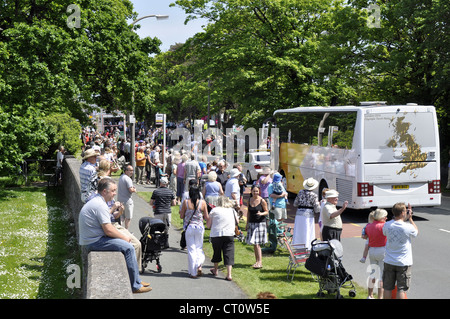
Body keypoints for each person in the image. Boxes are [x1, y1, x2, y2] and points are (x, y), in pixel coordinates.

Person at [78, 178, 151, 293]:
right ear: (104, 192)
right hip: (94, 241)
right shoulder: (100, 205)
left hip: (92, 238)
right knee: (129, 247)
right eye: (113, 191)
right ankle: (135, 286)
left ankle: (137, 280)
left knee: (128, 244)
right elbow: (108, 230)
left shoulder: (99, 202)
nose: (115, 193)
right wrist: (125, 237)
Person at [382, 202, 418, 299]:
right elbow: (416, 232)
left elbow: (384, 233)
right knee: (401, 289)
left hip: (389, 260)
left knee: (387, 287)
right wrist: (410, 219)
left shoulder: (387, 225)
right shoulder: (408, 226)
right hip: (403, 262)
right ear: (403, 213)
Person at [179, 185, 209, 278]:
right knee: (199, 247)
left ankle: (193, 272)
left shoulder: (186, 202)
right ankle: (199, 264)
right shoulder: (202, 203)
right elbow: (206, 217)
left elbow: (181, 216)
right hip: (199, 227)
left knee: (191, 249)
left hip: (189, 227)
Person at [207, 196, 238, 281]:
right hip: (229, 234)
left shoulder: (214, 210)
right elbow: (237, 222)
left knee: (216, 252)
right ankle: (229, 274)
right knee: (229, 253)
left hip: (216, 234)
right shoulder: (232, 210)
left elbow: (208, 225)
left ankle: (215, 270)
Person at [363, 208, 387, 299]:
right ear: (381, 217)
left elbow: (365, 236)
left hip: (372, 250)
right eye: (385, 217)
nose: (386, 218)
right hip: (382, 250)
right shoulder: (384, 226)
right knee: (381, 276)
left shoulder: (369, 226)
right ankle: (380, 297)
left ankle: (370, 295)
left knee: (372, 273)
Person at [292, 178, 320, 250]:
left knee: (299, 230)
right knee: (308, 230)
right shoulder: (314, 195)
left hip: (299, 213)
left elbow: (295, 203)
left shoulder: (300, 192)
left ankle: (298, 245)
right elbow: (317, 209)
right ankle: (307, 245)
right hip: (308, 214)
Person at [245, 185, 269, 269]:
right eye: (254, 191)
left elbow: (266, 212)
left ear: (259, 192)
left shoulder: (262, 201)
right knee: (254, 244)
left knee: (257, 244)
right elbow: (248, 212)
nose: (255, 193)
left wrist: (261, 213)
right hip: (252, 223)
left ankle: (260, 262)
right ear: (251, 192)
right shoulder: (249, 200)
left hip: (260, 224)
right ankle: (257, 261)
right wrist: (247, 223)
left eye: (257, 191)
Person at [150, 177, 176, 243]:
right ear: (167, 183)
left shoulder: (156, 191)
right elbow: (174, 203)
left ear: (160, 182)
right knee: (166, 227)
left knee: (158, 227)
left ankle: (157, 242)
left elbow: (151, 202)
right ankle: (165, 241)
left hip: (158, 212)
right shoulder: (170, 192)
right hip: (167, 212)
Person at [117, 165, 136, 230]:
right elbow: (130, 190)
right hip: (127, 201)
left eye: (132, 170)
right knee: (128, 217)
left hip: (120, 200)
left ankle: (118, 229)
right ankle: (126, 231)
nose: (132, 172)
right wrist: (134, 189)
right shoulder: (128, 179)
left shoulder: (121, 177)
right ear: (126, 171)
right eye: (130, 170)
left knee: (121, 216)